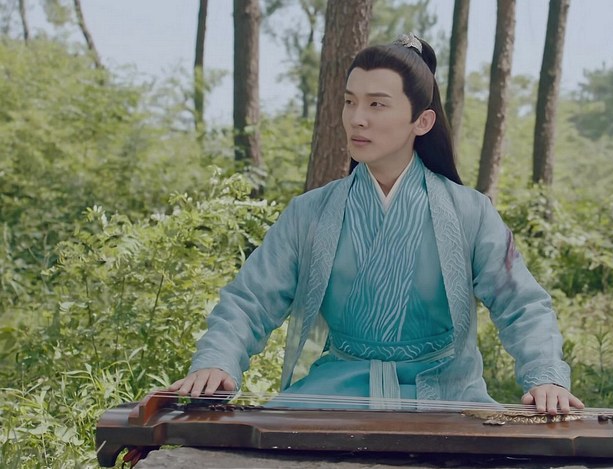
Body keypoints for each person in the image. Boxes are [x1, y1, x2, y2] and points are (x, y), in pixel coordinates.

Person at [168, 33, 584, 416]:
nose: (356, 119)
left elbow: (521, 303)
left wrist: (545, 375)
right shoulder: (310, 212)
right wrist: (217, 361)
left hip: (446, 394)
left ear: (422, 122)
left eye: (376, 104)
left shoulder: (469, 211)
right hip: (336, 392)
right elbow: (250, 300)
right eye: (350, 102)